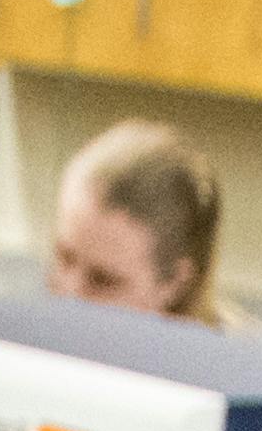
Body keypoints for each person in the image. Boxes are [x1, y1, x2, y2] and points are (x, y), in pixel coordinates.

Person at [49, 117, 226, 325]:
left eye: (103, 280)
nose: (67, 294)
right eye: (64, 258)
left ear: (174, 284)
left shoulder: (237, 345)